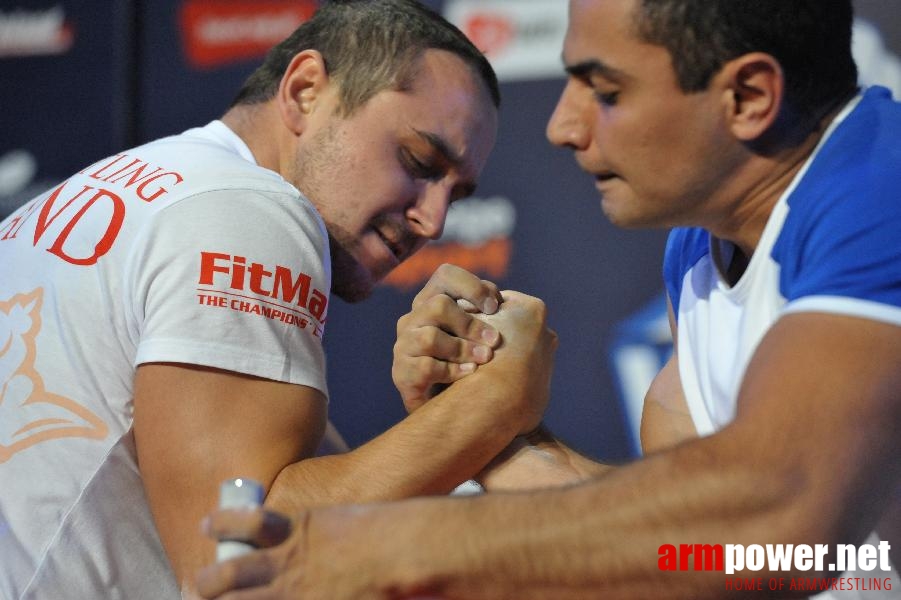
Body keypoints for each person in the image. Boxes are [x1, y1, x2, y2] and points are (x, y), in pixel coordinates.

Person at [195, 0, 901, 598]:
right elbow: (697, 551)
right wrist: (492, 432)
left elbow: (782, 517)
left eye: (606, 90)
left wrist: (394, 549)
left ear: (747, 97)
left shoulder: (881, 187)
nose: (563, 126)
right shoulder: (698, 245)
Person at [0, 1, 560, 598]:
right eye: (419, 162)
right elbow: (232, 561)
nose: (434, 218)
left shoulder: (107, 192)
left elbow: (284, 497)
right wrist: (490, 407)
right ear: (305, 90)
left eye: (457, 190)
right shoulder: (248, 205)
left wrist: (460, 425)